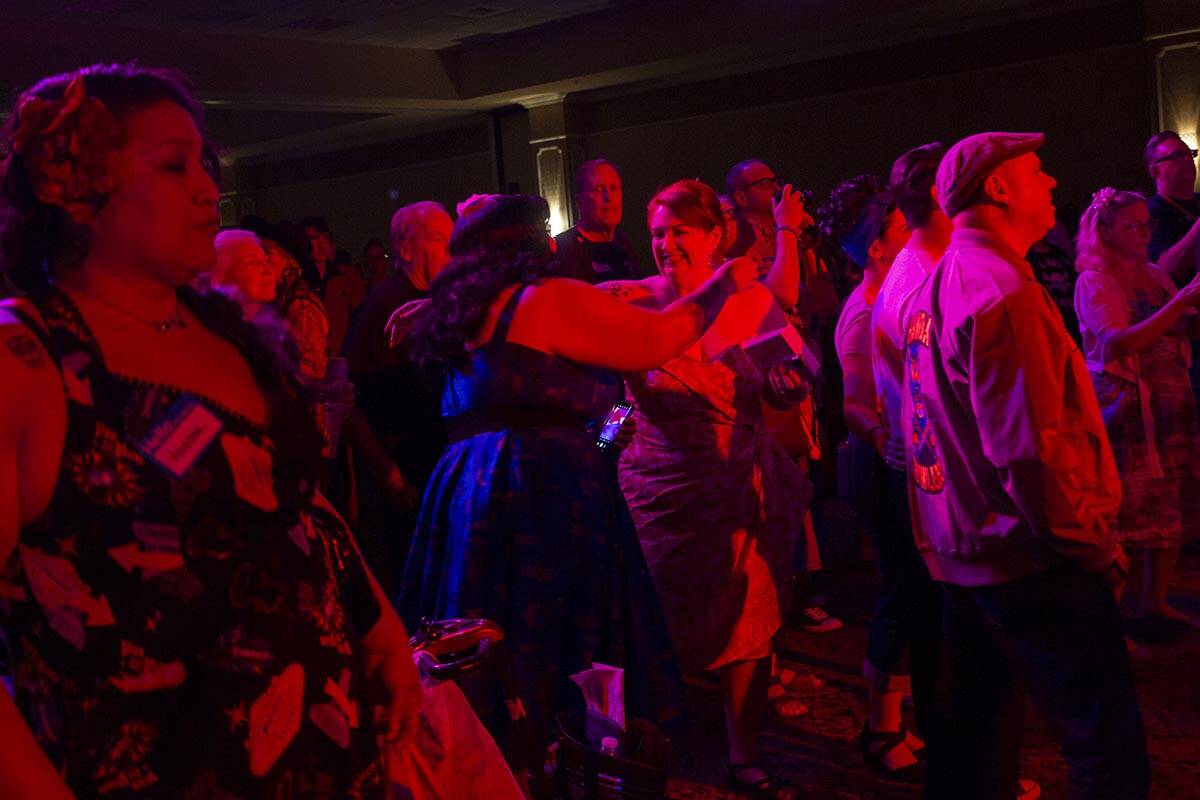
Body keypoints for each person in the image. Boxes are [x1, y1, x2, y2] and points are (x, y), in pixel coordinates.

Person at [0, 62, 419, 798]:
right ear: (78, 190)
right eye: (172, 165)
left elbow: (287, 497)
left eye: (205, 164)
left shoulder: (223, 333)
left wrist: (379, 624)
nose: (205, 189)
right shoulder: (29, 359)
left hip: (321, 748)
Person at [398, 193, 760, 758]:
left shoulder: (460, 313)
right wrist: (726, 282)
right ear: (528, 241)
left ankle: (491, 763)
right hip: (540, 488)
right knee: (554, 647)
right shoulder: (542, 300)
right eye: (545, 229)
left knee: (483, 641)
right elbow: (660, 339)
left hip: (468, 490)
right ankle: (563, 757)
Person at [903, 131, 1147, 799]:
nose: (1053, 184)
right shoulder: (1000, 288)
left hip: (967, 555)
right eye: (1037, 171)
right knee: (1106, 754)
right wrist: (1094, 548)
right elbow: (1029, 452)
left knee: (973, 751)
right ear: (999, 189)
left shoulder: (938, 284)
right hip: (1029, 557)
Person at [605, 179, 811, 800]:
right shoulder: (634, 300)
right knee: (647, 621)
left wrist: (785, 388)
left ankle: (743, 754)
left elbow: (795, 380)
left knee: (746, 622)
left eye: (679, 232)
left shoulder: (749, 303)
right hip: (655, 490)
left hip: (733, 488)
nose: (666, 245)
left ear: (716, 235)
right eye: (658, 233)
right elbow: (549, 314)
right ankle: (641, 740)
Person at [1073, 188, 1200, 641]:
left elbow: (1181, 323)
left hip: (1169, 398)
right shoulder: (1095, 280)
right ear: (1105, 231)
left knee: (1169, 499)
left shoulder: (1151, 273)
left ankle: (1155, 601)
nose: (1145, 233)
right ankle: (1107, 625)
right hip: (1125, 402)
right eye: (1133, 225)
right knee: (1125, 510)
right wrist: (1182, 300)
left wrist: (1188, 307)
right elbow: (1118, 342)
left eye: (1147, 224)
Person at [340, 201, 453, 593]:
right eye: (440, 239)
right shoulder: (385, 308)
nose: (451, 248)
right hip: (404, 474)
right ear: (405, 249)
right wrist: (386, 470)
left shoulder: (437, 303)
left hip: (428, 464)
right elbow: (348, 399)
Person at [553, 158, 643, 283]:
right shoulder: (564, 249)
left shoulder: (622, 243)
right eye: (598, 189)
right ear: (579, 201)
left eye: (614, 188)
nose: (608, 197)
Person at [1145, 131, 1200, 284]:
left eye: (1190, 154)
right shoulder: (1151, 212)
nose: (1188, 160)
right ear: (1155, 171)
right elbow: (1166, 270)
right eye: (1177, 156)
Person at [206, 229, 277, 318]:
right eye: (252, 263)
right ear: (220, 278)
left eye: (266, 260)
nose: (268, 270)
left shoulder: (275, 321)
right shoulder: (208, 325)